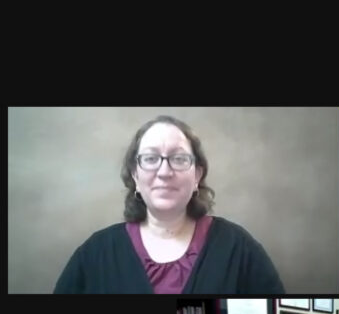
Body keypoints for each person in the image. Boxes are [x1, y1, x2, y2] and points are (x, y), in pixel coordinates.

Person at [54, 115, 285, 294]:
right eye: (151, 158)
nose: (164, 172)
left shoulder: (238, 248)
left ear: (197, 176)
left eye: (179, 158)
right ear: (135, 175)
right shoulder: (95, 253)